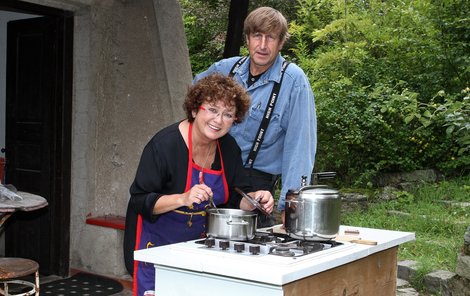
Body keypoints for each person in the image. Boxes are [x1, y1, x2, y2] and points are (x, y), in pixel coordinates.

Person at [123, 73, 274, 296]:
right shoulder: (164, 146)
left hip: (196, 250)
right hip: (154, 248)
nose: (218, 120)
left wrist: (253, 200)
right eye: (212, 110)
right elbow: (140, 200)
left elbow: (235, 197)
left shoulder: (228, 148)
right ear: (195, 109)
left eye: (228, 114)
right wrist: (183, 198)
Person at [194, 7, 316, 227]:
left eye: (270, 38)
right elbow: (192, 110)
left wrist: (291, 205)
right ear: (247, 38)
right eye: (257, 36)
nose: (262, 45)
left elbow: (300, 148)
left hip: (256, 188)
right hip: (212, 179)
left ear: (280, 43)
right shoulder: (224, 70)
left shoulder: (294, 81)